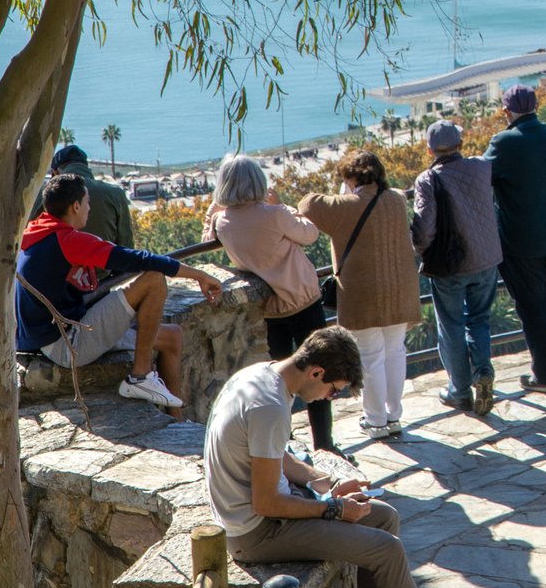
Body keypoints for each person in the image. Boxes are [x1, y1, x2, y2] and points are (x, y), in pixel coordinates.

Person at [204, 326, 417, 588]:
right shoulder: (270, 407)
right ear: (316, 372)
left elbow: (276, 456)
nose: (329, 398)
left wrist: (330, 483)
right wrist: (333, 509)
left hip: (261, 517)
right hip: (255, 533)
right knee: (387, 549)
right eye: (333, 391)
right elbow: (266, 503)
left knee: (384, 517)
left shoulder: (261, 375)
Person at [16, 173, 222, 415]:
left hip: (46, 339)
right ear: (75, 206)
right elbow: (139, 260)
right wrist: (200, 275)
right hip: (66, 343)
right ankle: (140, 377)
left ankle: (175, 423)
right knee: (154, 279)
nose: (89, 209)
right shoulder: (67, 241)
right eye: (88, 202)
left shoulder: (35, 233)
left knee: (172, 337)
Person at [207, 154, 335, 451]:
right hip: (303, 300)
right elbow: (310, 234)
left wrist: (213, 210)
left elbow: (208, 236)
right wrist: (282, 206)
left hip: (270, 309)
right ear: (257, 182)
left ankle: (283, 445)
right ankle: (324, 444)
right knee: (318, 371)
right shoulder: (274, 214)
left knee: (279, 380)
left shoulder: (222, 222)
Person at [300, 151, 419, 438]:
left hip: (365, 296)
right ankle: (393, 416)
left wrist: (343, 192)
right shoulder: (397, 199)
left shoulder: (347, 204)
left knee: (371, 357)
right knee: (395, 352)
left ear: (352, 178)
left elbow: (307, 204)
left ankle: (376, 420)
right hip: (400, 290)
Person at [485, 85, 546, 396]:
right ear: (536, 106)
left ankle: (545, 376)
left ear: (507, 112)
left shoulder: (503, 142)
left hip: (523, 239)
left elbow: (480, 175)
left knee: (534, 305)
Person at [411, 121, 503, 414]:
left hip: (451, 265)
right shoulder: (481, 167)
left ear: (429, 149)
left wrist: (421, 250)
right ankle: (483, 372)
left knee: (451, 325)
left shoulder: (427, 180)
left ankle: (460, 392)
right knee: (479, 319)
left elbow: (424, 231)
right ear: (461, 143)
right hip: (487, 257)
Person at [30, 143, 135, 248]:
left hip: (57, 263)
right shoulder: (115, 194)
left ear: (55, 172)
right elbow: (126, 244)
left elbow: (28, 234)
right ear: (86, 167)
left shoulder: (45, 193)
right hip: (104, 262)